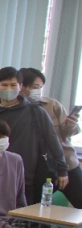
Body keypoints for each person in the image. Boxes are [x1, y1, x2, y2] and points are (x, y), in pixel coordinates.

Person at [0, 67, 67, 203]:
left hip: (26, 179)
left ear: (20, 87)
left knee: (24, 215)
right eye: (4, 85)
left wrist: (62, 170)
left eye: (13, 85)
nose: (8, 89)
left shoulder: (35, 111)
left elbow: (53, 141)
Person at [20, 67, 82, 207]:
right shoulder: (16, 110)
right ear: (22, 87)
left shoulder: (52, 104)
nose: (38, 91)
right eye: (35, 87)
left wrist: (70, 124)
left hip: (66, 162)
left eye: (40, 87)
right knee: (32, 209)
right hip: (37, 169)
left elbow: (64, 136)